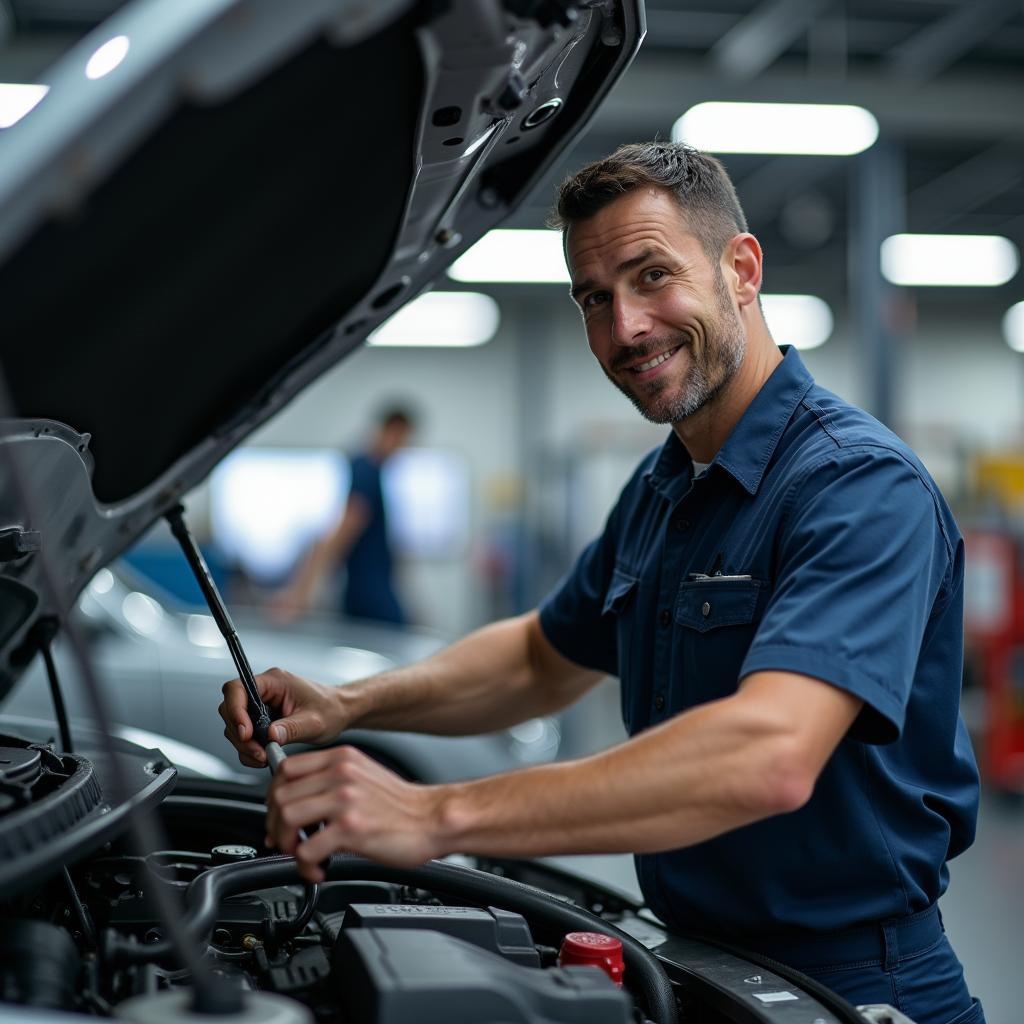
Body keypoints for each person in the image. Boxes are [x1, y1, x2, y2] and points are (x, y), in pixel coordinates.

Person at [222, 143, 983, 1024]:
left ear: (741, 269)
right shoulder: (668, 484)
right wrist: (348, 703)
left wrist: (436, 815)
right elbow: (543, 658)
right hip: (702, 961)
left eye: (652, 275)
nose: (624, 328)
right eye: (595, 298)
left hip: (854, 988)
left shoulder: (857, 487)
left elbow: (766, 756)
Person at [270, 407, 414, 626]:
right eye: (402, 440)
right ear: (392, 431)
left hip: (370, 587)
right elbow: (343, 531)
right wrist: (299, 592)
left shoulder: (372, 471)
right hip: (368, 593)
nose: (401, 449)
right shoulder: (366, 470)